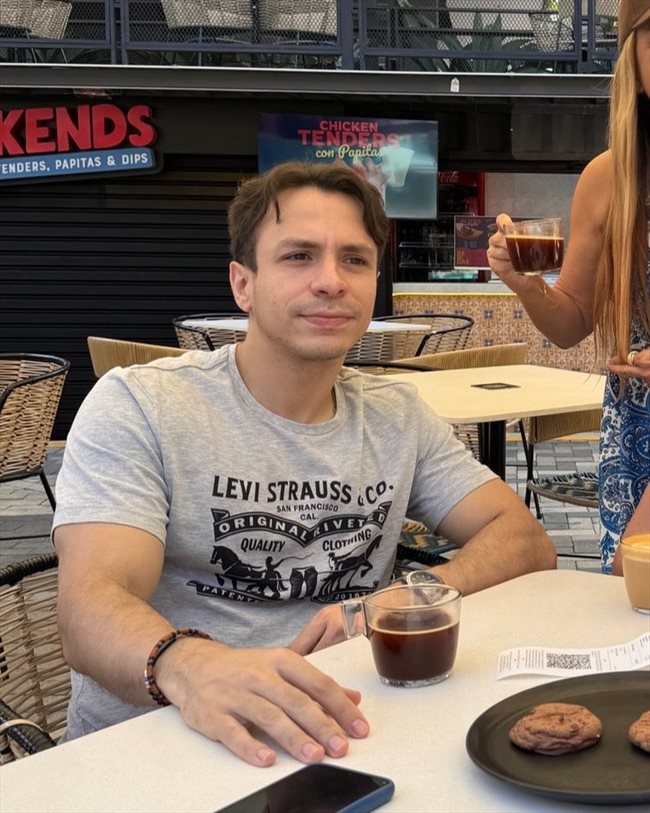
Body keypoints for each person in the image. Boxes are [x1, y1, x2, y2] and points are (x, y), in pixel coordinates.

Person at [54, 161, 555, 769]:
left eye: (354, 259)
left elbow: (523, 539)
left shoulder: (396, 415)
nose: (330, 281)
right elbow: (88, 605)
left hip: (348, 733)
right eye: (298, 256)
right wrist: (189, 666)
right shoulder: (143, 405)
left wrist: (408, 597)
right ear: (243, 284)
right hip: (153, 748)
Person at [487, 0, 650, 576]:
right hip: (639, 426)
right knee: (633, 602)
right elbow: (571, 322)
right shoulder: (608, 179)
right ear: (633, 60)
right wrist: (525, 283)